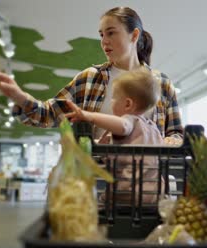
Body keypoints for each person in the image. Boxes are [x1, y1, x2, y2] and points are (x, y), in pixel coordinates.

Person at [0, 6, 183, 144]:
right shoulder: (90, 78)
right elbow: (47, 115)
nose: (104, 41)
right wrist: (18, 95)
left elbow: (175, 134)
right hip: (95, 181)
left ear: (134, 35)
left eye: (111, 32)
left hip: (146, 184)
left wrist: (171, 141)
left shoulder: (161, 83)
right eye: (101, 35)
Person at [66, 69, 163, 204]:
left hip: (125, 193)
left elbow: (123, 126)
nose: (111, 101)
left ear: (128, 104)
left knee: (97, 204)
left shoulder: (130, 120)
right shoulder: (154, 129)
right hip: (153, 195)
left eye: (113, 97)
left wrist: (89, 116)